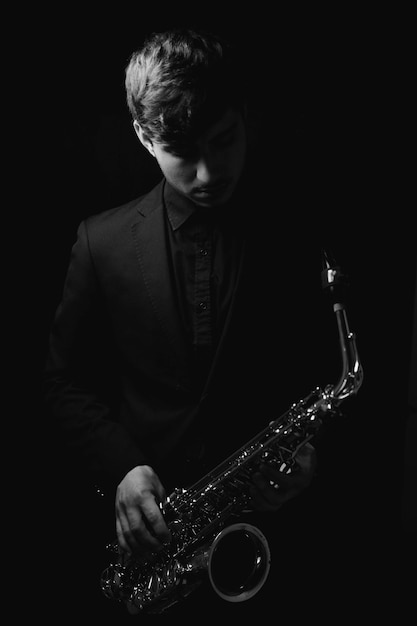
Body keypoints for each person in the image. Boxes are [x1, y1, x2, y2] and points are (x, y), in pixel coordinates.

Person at [44, 27, 348, 618]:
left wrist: (313, 456)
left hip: (278, 544)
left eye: (224, 139)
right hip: (155, 549)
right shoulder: (98, 242)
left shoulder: (298, 234)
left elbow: (325, 375)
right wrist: (123, 467)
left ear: (243, 116)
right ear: (143, 136)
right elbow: (61, 381)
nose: (209, 173)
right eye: (183, 153)